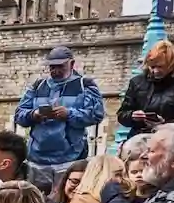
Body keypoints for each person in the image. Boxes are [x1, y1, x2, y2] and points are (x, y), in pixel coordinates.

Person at [13, 46, 105, 193]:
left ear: (72, 64)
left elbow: (96, 115)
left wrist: (68, 114)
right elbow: (19, 115)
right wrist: (34, 115)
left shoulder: (85, 85)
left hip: (70, 158)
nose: (55, 70)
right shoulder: (37, 86)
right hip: (37, 159)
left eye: (60, 66)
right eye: (52, 67)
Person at [116, 40, 174, 140]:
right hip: (141, 135)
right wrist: (132, 116)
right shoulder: (137, 82)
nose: (156, 71)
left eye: (160, 67)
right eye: (152, 67)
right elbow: (122, 114)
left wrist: (166, 124)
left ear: (171, 64)